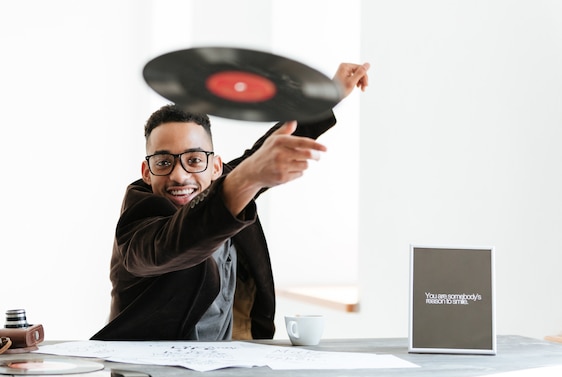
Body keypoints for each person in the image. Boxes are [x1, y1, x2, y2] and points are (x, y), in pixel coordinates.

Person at [92, 62, 370, 341]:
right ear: (147, 172)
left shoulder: (225, 186)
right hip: (145, 376)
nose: (179, 175)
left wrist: (329, 96)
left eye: (194, 160)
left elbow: (267, 151)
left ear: (216, 168)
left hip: (222, 371)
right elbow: (174, 241)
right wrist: (246, 178)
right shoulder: (137, 226)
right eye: (163, 162)